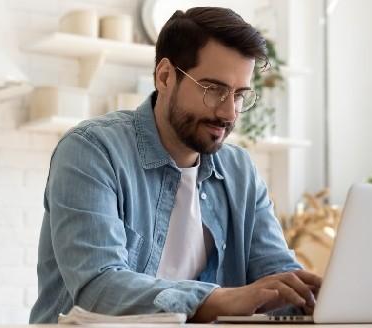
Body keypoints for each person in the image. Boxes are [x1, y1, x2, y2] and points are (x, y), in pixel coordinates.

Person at [29, 6, 321, 324]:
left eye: (239, 95)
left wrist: (313, 297)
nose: (229, 113)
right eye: (214, 90)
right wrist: (218, 299)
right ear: (165, 76)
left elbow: (278, 278)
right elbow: (97, 289)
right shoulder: (92, 151)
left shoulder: (241, 173)